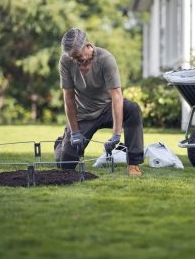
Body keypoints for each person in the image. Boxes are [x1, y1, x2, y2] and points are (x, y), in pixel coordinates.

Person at [54, 27, 144, 176]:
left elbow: (116, 97)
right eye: (73, 59)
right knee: (65, 166)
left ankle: (133, 164)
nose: (76, 62)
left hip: (107, 108)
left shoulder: (105, 59)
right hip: (84, 114)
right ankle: (61, 143)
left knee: (132, 109)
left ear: (88, 46)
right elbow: (68, 98)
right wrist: (75, 132)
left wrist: (116, 135)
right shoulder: (65, 61)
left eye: (80, 58)